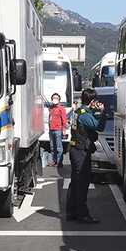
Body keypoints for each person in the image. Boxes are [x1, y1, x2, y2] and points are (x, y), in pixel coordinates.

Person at [66, 88, 107, 224]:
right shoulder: (85, 115)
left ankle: (71, 211)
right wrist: (103, 112)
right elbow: (98, 127)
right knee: (82, 184)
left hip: (74, 149)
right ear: (93, 101)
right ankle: (82, 214)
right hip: (81, 151)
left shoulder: (79, 112)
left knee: (75, 182)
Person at [48, 93, 67, 167]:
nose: (55, 99)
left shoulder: (61, 108)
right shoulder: (51, 108)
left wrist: (64, 129)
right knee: (52, 147)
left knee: (59, 147)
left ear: (59, 100)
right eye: (53, 98)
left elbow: (64, 119)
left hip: (58, 129)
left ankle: (59, 162)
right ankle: (54, 160)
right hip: (51, 129)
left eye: (56, 98)